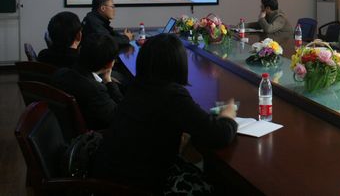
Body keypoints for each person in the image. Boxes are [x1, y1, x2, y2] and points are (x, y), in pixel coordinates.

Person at [92, 34, 237, 193]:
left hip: (107, 176)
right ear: (178, 63)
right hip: (137, 185)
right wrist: (228, 115)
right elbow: (219, 135)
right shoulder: (172, 95)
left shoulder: (138, 86)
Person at [51, 33, 123, 129]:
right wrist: (108, 81)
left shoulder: (60, 73)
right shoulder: (96, 90)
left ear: (80, 50)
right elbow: (120, 115)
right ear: (109, 64)